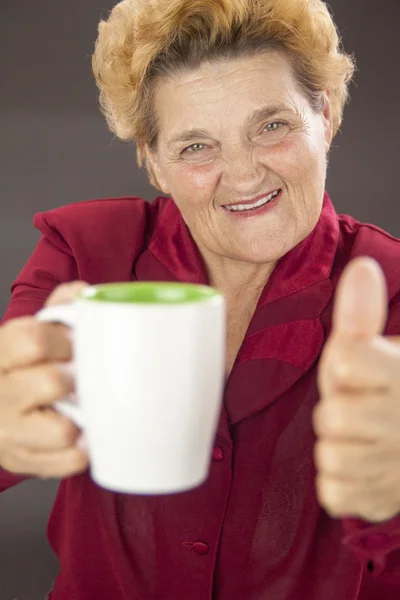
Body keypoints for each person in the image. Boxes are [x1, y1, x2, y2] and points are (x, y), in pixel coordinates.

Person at [0, 0, 400, 598]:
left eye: (272, 126)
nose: (243, 176)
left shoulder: (391, 287)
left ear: (326, 113)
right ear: (153, 162)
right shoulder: (86, 254)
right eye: (195, 147)